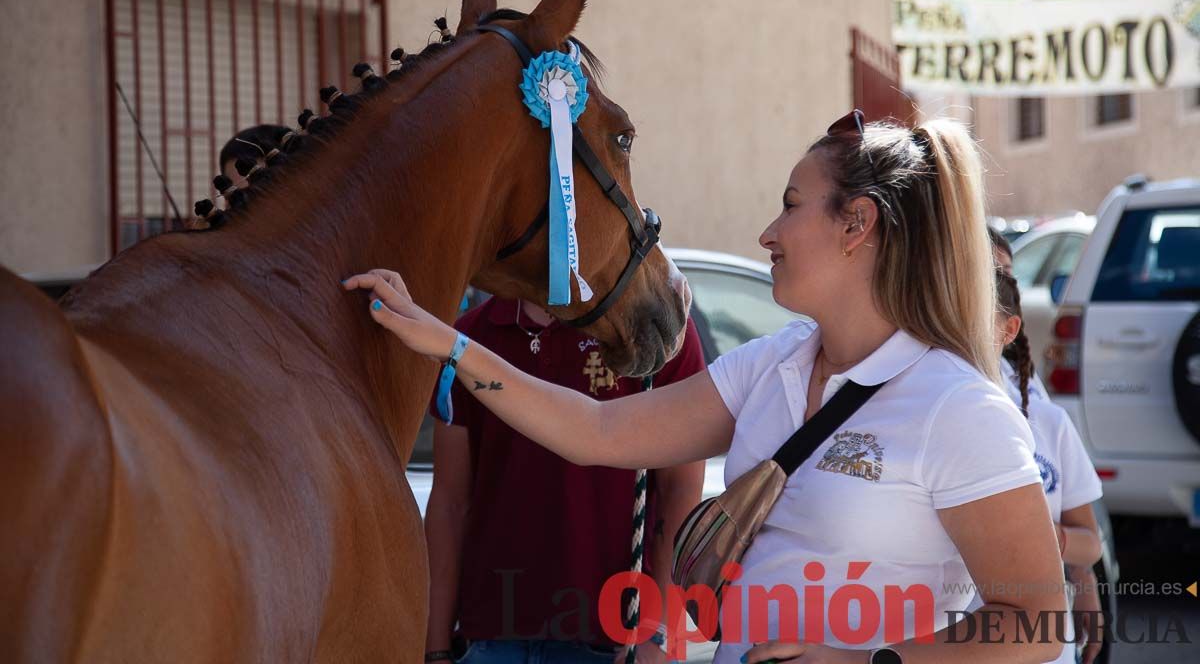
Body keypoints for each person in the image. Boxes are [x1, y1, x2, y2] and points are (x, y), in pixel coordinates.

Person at [346, 112, 1067, 664]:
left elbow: (1039, 619)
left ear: (857, 224)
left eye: (790, 204)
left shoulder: (957, 407)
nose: (768, 232)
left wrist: (865, 659)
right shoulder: (771, 365)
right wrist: (450, 343)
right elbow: (600, 433)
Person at [423, 297, 707, 664]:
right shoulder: (473, 336)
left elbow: (681, 488)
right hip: (491, 639)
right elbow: (450, 501)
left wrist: (663, 635)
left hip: (615, 641)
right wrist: (436, 647)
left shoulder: (651, 325)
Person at [992, 262, 1105, 664]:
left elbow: (1089, 544)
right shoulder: (923, 415)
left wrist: (1046, 539)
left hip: (1042, 649)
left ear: (1007, 330)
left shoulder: (1046, 419)